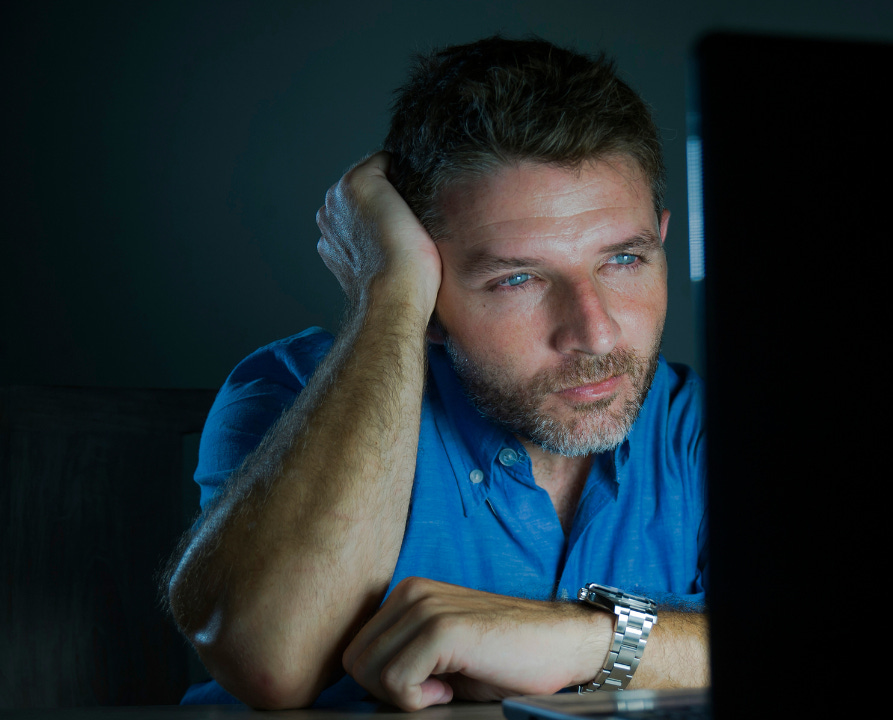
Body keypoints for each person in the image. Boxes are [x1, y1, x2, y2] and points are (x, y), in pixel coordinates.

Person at [161, 36, 709, 711]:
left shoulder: (697, 428)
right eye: (517, 278)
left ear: (660, 237)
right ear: (432, 285)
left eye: (623, 261)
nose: (594, 332)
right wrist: (388, 294)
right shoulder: (286, 396)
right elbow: (269, 661)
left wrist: (585, 641)